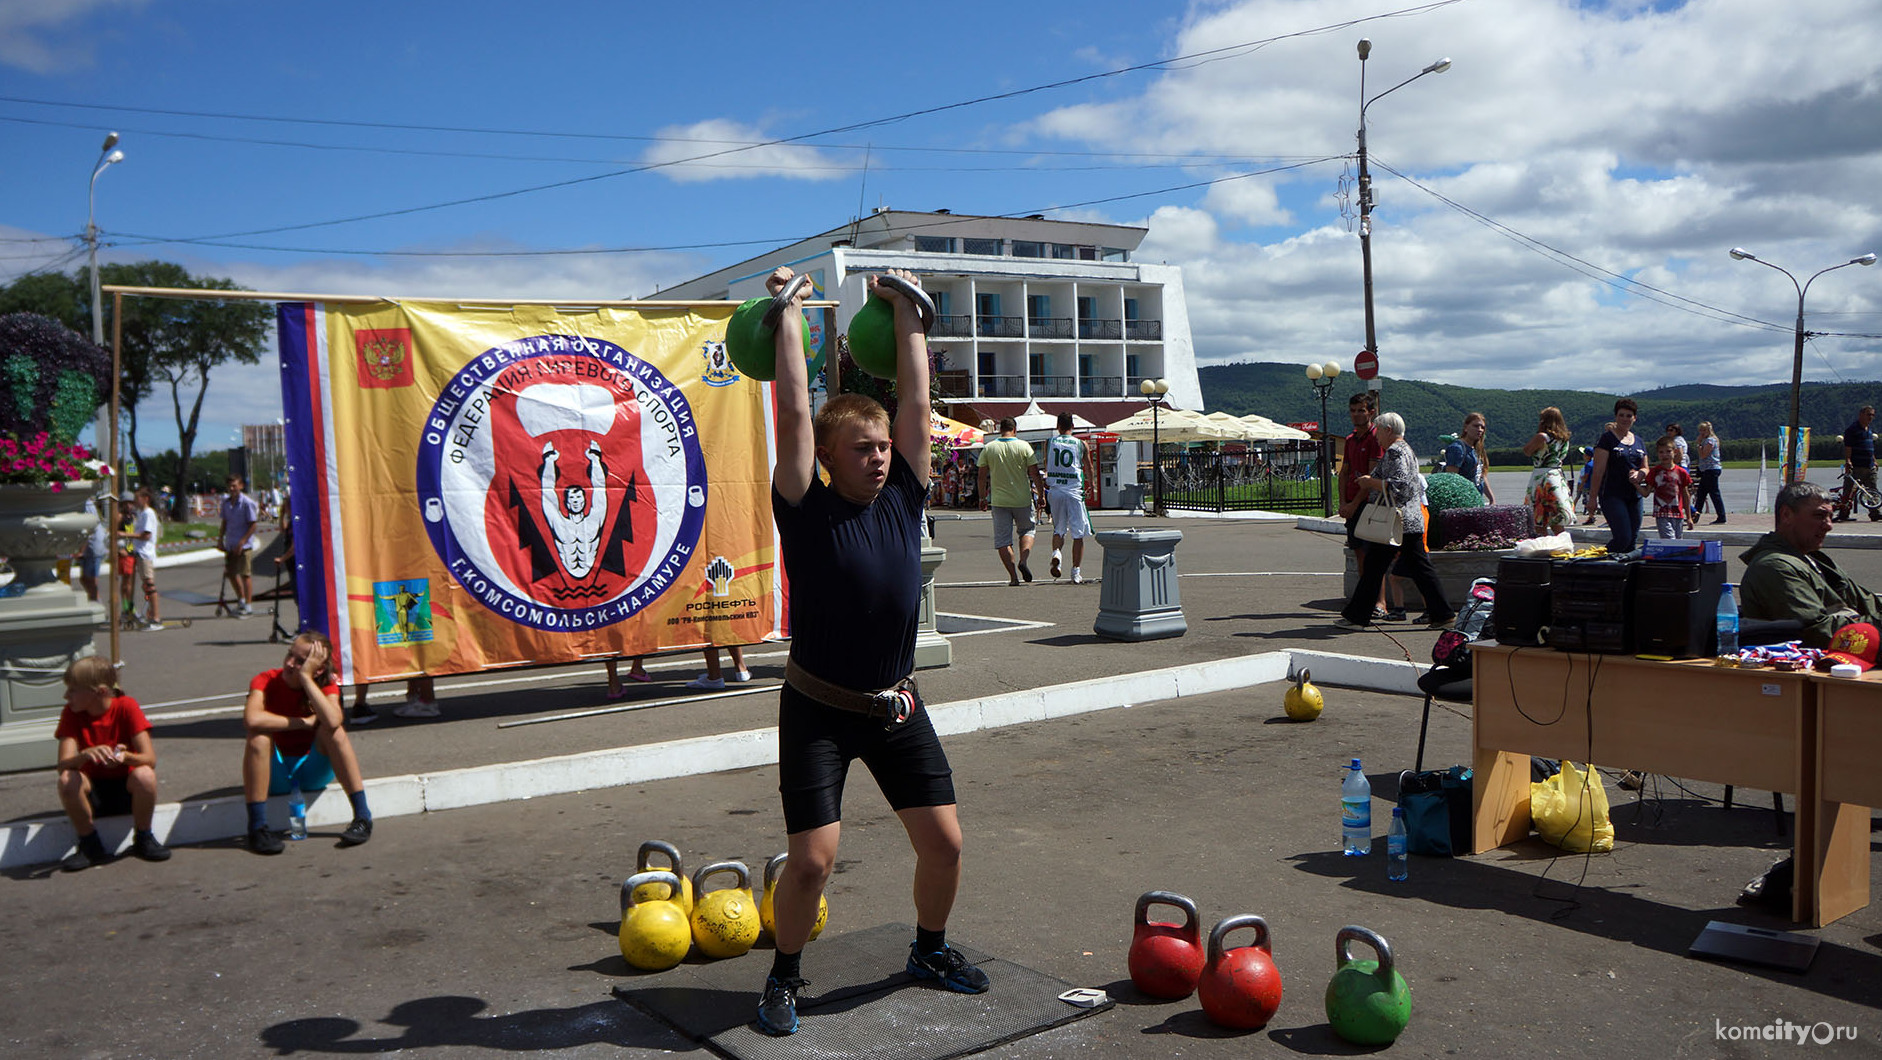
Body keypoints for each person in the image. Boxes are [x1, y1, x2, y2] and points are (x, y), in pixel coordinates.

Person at [755, 265, 986, 1037]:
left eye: (884, 447)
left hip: (895, 703)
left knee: (945, 844)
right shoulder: (805, 507)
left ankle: (929, 949)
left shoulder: (904, 498)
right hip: (817, 709)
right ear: (827, 455)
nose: (881, 457)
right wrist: (787, 312)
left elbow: (918, 403)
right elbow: (791, 408)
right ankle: (784, 975)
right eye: (862, 449)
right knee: (814, 862)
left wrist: (909, 316)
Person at [243, 631, 374, 854]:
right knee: (258, 736)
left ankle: (362, 817)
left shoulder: (324, 684)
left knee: (335, 732)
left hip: (313, 770)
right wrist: (303, 722)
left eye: (301, 661)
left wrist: (306, 678)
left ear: (317, 668)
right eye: (290, 655)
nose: (290, 663)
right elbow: (252, 719)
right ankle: (257, 828)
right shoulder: (265, 679)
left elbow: (333, 720)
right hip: (276, 773)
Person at [1336, 412, 1456, 631]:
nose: (1376, 436)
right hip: (1409, 520)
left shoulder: (1394, 451)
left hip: (1395, 521)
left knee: (1374, 568)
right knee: (1420, 568)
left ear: (1388, 430)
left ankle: (1356, 617)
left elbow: (1398, 486)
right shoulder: (1407, 449)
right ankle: (1443, 614)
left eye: (1379, 430)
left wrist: (1369, 482)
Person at [54, 657, 170, 870]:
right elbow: (63, 764)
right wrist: (86, 755)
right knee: (67, 779)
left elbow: (149, 759)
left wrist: (126, 758)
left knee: (144, 774)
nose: (66, 696)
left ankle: (144, 837)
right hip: (93, 793)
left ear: (99, 692)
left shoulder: (126, 706)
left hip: (126, 790)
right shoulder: (70, 713)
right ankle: (90, 844)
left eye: (73, 690)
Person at [1740, 480, 1882, 647]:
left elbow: (1867, 602)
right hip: (1814, 665)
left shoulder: (1812, 560)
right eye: (1819, 516)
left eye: (1830, 516)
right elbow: (1817, 631)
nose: (1829, 526)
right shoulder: (1773, 567)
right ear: (1786, 515)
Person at [976, 417, 1049, 586]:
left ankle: (1013, 577)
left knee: (1003, 540)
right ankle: (1023, 560)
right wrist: (1041, 495)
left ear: (1000, 429)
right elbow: (1034, 473)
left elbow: (981, 476)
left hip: (999, 501)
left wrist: (982, 498)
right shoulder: (1024, 447)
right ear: (1015, 430)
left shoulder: (990, 448)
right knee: (1027, 531)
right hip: (1022, 499)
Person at [1337, 393, 1389, 622]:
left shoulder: (1375, 438)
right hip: (1352, 504)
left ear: (1371, 412)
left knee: (1373, 556)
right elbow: (1344, 472)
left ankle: (1381, 602)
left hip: (1369, 504)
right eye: (1353, 410)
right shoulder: (1350, 440)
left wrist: (1354, 503)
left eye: (1361, 410)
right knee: (1359, 553)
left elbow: (1370, 478)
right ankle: (1365, 600)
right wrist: (1342, 503)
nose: (1356, 414)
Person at [1587, 400, 1648, 553]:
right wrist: (1592, 498)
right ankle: (1596, 560)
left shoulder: (1639, 441)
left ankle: (1626, 571)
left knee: (1632, 539)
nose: (1625, 419)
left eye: (1629, 416)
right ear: (1616, 416)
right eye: (1621, 415)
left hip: (1634, 495)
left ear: (1635, 418)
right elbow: (1598, 471)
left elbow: (1646, 467)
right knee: (1623, 538)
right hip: (1612, 494)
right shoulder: (1607, 439)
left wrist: (1641, 473)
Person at [1043, 413, 1091, 584]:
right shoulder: (1081, 444)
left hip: (1055, 491)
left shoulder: (1049, 443)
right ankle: (1075, 572)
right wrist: (1090, 484)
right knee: (1078, 534)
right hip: (1073, 491)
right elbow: (1088, 466)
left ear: (1058, 426)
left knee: (1059, 529)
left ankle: (1056, 553)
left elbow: (1047, 462)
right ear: (1073, 426)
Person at [1522, 406, 1574, 533]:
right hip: (1557, 476)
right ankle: (1561, 545)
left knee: (1539, 518)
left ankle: (1543, 544)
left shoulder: (1542, 437)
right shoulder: (1564, 439)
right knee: (1556, 517)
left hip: (1542, 476)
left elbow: (1527, 451)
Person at [219, 475, 260, 617]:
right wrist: (220, 540)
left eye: (234, 486)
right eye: (230, 486)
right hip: (230, 544)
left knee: (245, 575)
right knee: (230, 573)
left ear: (241, 486)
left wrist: (242, 542)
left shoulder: (247, 503)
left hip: (244, 546)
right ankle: (241, 599)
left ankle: (248, 605)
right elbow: (224, 522)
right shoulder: (226, 503)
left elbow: (253, 525)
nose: (232, 489)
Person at [1439, 412, 1494, 502]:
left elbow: (1481, 476)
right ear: (1466, 427)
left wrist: (1492, 499)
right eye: (1476, 426)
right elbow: (1452, 479)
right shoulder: (1457, 448)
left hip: (1476, 499)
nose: (1480, 430)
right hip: (1463, 500)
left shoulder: (1477, 449)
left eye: (1482, 427)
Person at [128, 488, 162, 629]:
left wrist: (125, 534)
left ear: (146, 498)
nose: (135, 502)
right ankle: (150, 612)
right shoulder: (141, 514)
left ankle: (156, 617)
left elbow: (146, 535)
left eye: (137, 498)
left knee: (149, 584)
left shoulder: (148, 513)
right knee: (145, 586)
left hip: (145, 553)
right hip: (140, 552)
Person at [1838, 405, 1879, 522]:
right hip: (1856, 465)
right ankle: (1844, 513)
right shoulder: (1852, 429)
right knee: (1849, 489)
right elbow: (1848, 447)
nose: (1871, 417)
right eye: (1868, 414)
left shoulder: (1869, 430)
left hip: (1869, 465)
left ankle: (1875, 513)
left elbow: (1870, 448)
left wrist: (1874, 460)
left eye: (1872, 415)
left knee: (1872, 489)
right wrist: (1848, 460)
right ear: (1861, 415)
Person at [1647, 440, 1694, 538]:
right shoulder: (1655, 472)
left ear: (1675, 452)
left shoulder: (1681, 472)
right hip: (1662, 512)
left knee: (1677, 542)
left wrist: (1689, 517)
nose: (1665, 455)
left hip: (1678, 513)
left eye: (1668, 451)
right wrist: (1635, 483)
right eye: (1661, 452)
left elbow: (1685, 495)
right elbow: (1646, 492)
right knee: (1669, 540)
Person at [1691, 421, 1725, 523]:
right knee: (1701, 493)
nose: (1702, 432)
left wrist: (1698, 445)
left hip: (1711, 469)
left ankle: (1721, 517)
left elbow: (1703, 455)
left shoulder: (1710, 441)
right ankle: (1695, 515)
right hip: (1707, 470)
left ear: (1709, 430)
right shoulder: (1708, 440)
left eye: (1704, 430)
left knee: (1714, 494)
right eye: (1700, 430)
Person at [77, 496, 105, 603]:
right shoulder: (86, 503)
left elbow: (88, 528)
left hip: (94, 545)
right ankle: (94, 598)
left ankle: (96, 600)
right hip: (92, 544)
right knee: (84, 578)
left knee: (91, 579)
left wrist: (81, 550)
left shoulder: (86, 504)